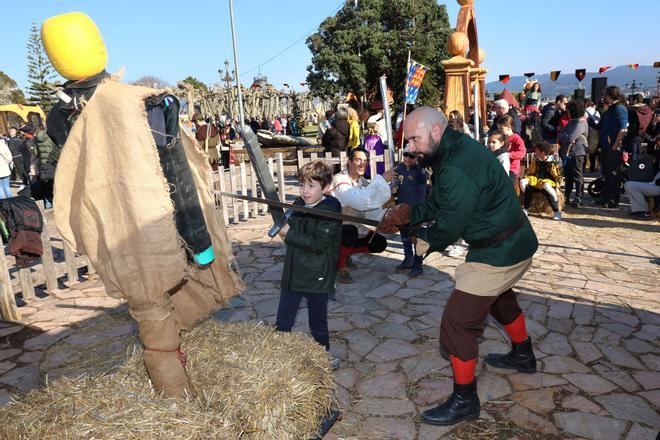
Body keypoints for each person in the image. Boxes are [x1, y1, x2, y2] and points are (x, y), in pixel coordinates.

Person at [378, 107, 538, 427]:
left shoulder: (453, 165)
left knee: (457, 324)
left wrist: (419, 239)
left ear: (435, 132)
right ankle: (523, 354)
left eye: (414, 138)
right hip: (514, 241)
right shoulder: (453, 149)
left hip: (500, 250)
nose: (411, 147)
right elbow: (443, 201)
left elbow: (450, 224)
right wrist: (410, 213)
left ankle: (465, 401)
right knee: (499, 297)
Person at [275, 160, 342, 369]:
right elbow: (291, 225)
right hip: (293, 273)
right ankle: (275, 358)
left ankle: (324, 356)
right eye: (302, 184)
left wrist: (289, 234)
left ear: (325, 187)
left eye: (311, 186)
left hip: (317, 276)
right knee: (283, 321)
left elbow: (319, 244)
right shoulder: (298, 204)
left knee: (318, 323)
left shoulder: (331, 210)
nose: (305, 190)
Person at [330, 147, 393, 284]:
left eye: (365, 161)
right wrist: (382, 180)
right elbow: (361, 201)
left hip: (351, 226)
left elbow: (371, 208)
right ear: (349, 162)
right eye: (358, 160)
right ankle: (339, 267)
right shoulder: (340, 180)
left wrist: (387, 217)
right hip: (331, 228)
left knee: (379, 243)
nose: (362, 164)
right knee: (349, 232)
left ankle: (345, 254)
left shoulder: (362, 182)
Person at [393, 147, 428, 277]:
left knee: (416, 238)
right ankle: (408, 259)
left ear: (416, 158)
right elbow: (395, 187)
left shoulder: (420, 172)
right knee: (404, 237)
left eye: (411, 156)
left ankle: (418, 265)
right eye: (405, 155)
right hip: (401, 208)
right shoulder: (399, 168)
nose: (407, 158)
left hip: (415, 210)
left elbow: (422, 193)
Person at [597, 86, 628, 208]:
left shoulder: (619, 108)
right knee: (606, 173)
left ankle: (613, 199)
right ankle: (605, 196)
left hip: (613, 148)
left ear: (609, 95)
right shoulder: (611, 108)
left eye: (605, 94)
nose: (604, 97)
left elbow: (623, 129)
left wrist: (615, 145)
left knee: (614, 174)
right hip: (606, 146)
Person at [520, 142, 562, 220]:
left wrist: (557, 187)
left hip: (547, 181)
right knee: (524, 184)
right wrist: (526, 175)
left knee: (547, 189)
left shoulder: (553, 163)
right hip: (536, 181)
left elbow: (557, 176)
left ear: (542, 153)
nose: (535, 152)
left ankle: (556, 211)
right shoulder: (536, 161)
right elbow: (531, 171)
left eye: (536, 151)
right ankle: (526, 208)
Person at [559, 101, 589, 207]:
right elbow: (562, 136)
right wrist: (566, 136)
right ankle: (566, 196)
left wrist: (566, 136)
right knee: (568, 176)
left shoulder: (581, 123)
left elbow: (569, 137)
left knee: (577, 175)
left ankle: (578, 197)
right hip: (569, 153)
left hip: (578, 153)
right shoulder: (572, 122)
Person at [498, 115, 526, 186]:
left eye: (501, 128)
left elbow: (522, 153)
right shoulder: (501, 138)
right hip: (502, 167)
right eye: (499, 128)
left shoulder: (516, 139)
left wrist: (508, 154)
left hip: (512, 169)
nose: (500, 130)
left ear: (509, 127)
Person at [626, 94, 653, 160]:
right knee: (642, 158)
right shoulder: (648, 110)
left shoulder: (633, 111)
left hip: (634, 136)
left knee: (633, 158)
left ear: (635, 101)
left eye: (631, 100)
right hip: (645, 136)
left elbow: (632, 125)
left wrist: (628, 134)